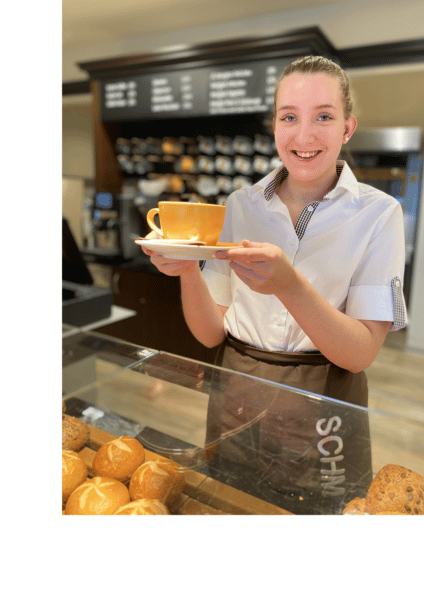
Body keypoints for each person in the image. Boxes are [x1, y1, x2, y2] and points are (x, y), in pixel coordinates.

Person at [143, 55, 407, 510]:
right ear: (274, 126)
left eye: (323, 116)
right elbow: (210, 332)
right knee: (230, 505)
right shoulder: (240, 204)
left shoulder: (379, 215)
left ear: (347, 128)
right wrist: (187, 268)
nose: (303, 136)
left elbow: (361, 352)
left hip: (323, 394)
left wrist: (290, 285)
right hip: (237, 384)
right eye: (289, 117)